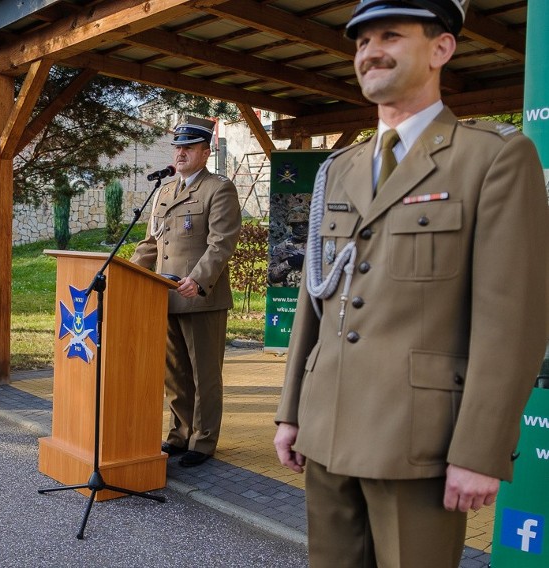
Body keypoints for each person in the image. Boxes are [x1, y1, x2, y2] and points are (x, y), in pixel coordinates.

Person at [273, 1, 548, 566]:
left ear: (441, 48)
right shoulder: (340, 168)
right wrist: (291, 411)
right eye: (361, 42)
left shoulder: (492, 159)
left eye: (390, 36)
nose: (370, 52)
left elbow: (511, 320)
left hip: (422, 442)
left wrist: (481, 449)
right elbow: (315, 297)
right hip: (325, 430)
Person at [130, 116, 242, 468]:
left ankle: (204, 440)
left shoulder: (218, 189)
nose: (180, 153)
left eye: (188, 147)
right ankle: (180, 433)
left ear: (205, 151)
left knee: (204, 373)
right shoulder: (164, 191)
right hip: (164, 296)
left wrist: (199, 278)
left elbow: (221, 242)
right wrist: (129, 274)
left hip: (200, 297)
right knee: (175, 373)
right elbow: (152, 243)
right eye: (177, 146)